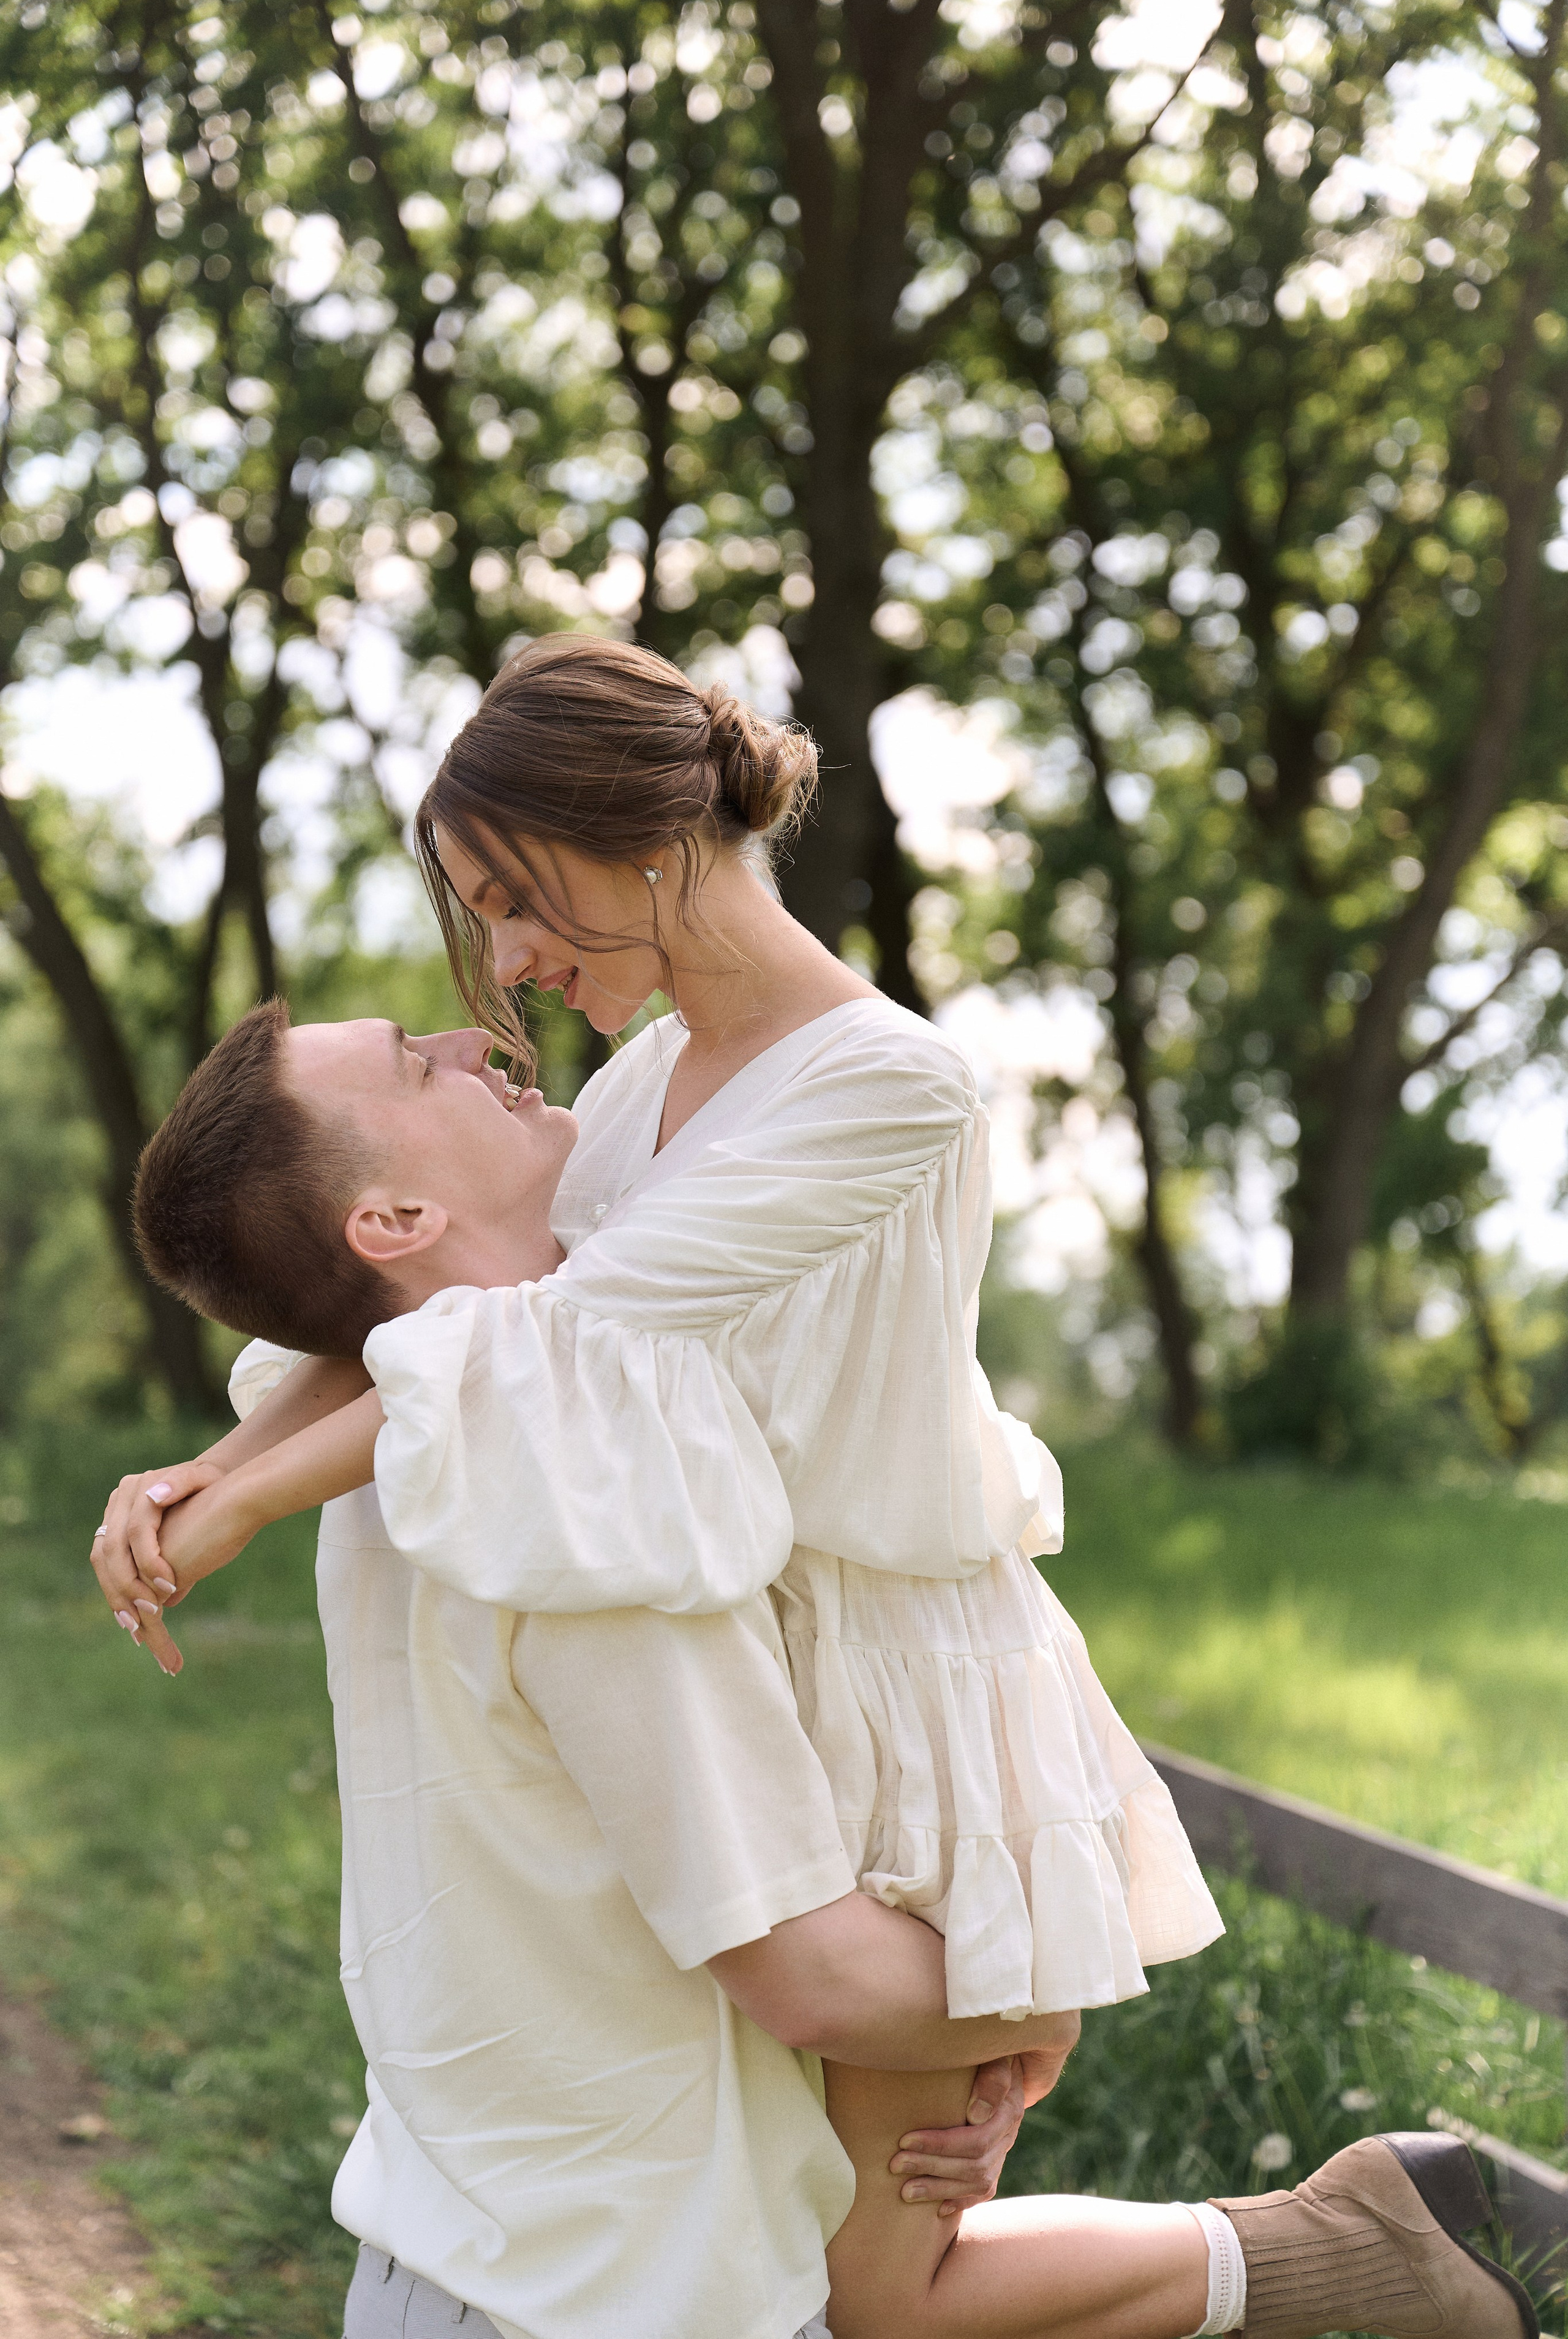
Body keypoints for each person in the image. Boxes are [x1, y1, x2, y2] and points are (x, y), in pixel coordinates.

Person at [92, 639, 1536, 2339]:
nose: (505, 964)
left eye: (515, 897)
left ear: (641, 842)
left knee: (881, 2293)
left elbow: (562, 1325)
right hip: (747, 1644)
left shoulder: (885, 1084)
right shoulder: (626, 1096)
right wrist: (219, 1460)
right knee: (856, 2296)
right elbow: (452, 1321)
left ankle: (1359, 2256)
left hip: (892, 1689)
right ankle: (1345, 2255)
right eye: (480, 912)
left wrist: (248, 1502)